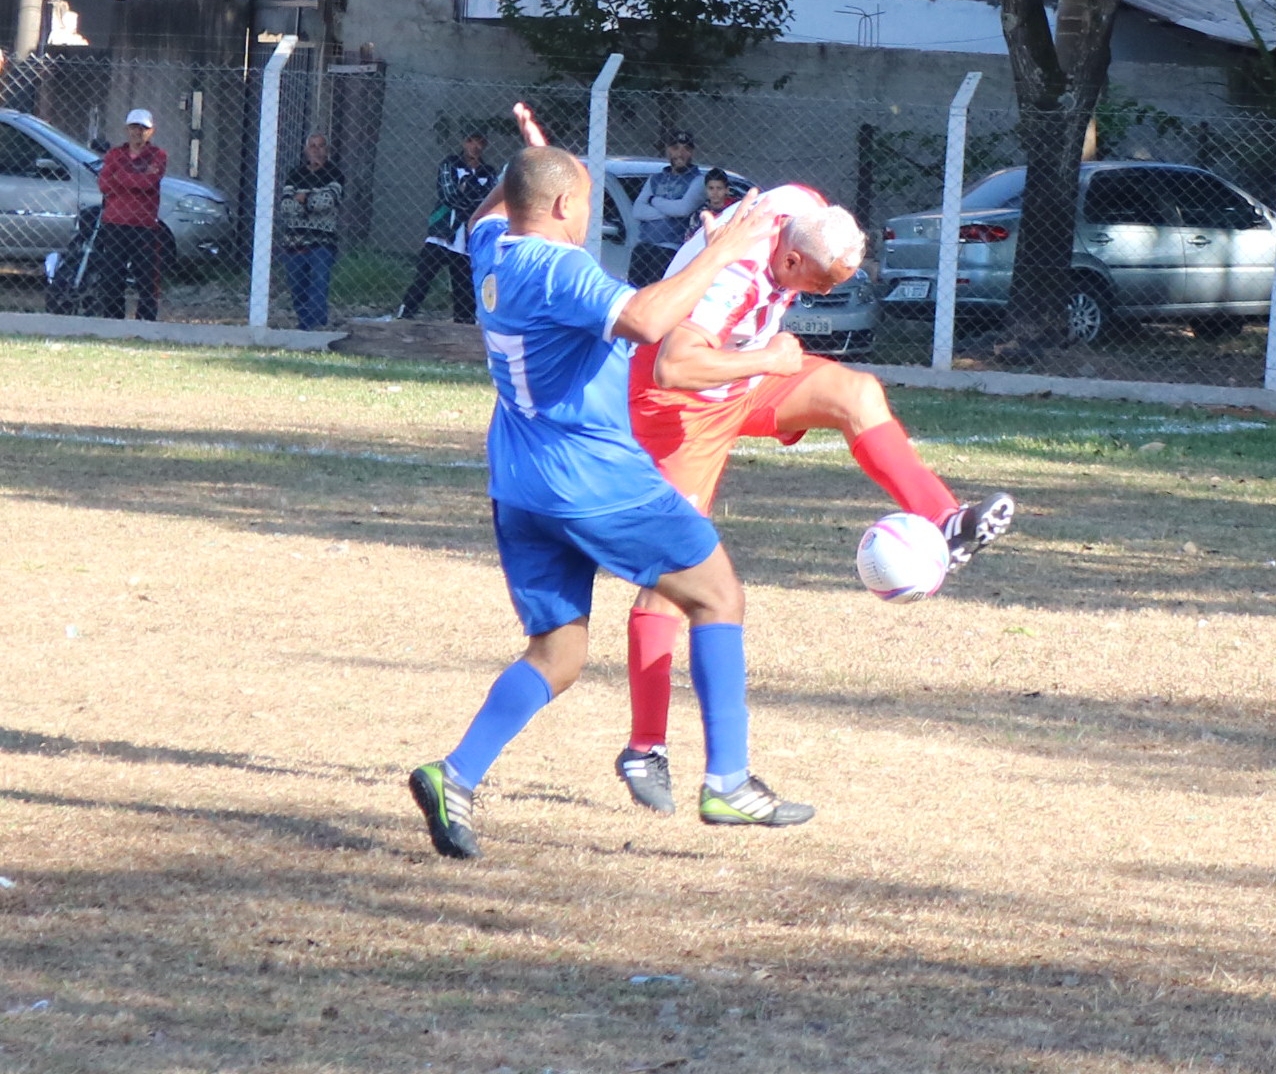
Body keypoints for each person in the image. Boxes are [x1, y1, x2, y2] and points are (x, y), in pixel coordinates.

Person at [408, 115, 812, 861]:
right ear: (565, 206)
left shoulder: (492, 248)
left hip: (519, 486)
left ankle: (453, 774)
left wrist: (530, 157)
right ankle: (728, 781)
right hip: (591, 479)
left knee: (558, 655)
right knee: (718, 596)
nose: (589, 215)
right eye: (587, 200)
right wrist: (723, 248)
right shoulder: (559, 270)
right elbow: (650, 320)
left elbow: (486, 212)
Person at [614, 184, 1015, 814]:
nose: (820, 294)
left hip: (745, 375)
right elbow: (673, 366)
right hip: (678, 405)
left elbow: (800, 210)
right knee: (675, 577)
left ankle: (945, 519)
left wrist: (763, 357)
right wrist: (768, 358)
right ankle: (645, 747)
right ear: (790, 259)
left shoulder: (803, 211)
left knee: (856, 393)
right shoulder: (733, 281)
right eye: (819, 282)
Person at [393, 131, 497, 324]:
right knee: (423, 277)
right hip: (442, 233)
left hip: (466, 240)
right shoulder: (450, 164)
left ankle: (463, 325)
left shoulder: (488, 172)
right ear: (463, 142)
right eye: (470, 141)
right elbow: (448, 195)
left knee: (463, 288)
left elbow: (489, 201)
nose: (475, 146)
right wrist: (474, 197)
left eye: (480, 142)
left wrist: (466, 191)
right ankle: (404, 316)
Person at [95, 108, 167, 321]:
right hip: (115, 223)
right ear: (127, 129)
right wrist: (135, 179)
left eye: (143, 128)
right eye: (134, 127)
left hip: (144, 225)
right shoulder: (114, 154)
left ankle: (145, 321)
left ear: (151, 131)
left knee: (146, 277)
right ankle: (113, 319)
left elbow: (149, 183)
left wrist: (120, 177)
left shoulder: (158, 155)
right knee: (112, 276)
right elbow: (104, 184)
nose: (138, 132)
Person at [278, 134, 345, 330]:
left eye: (321, 146)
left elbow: (327, 202)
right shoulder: (295, 173)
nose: (316, 150)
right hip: (294, 240)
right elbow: (286, 205)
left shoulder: (335, 174)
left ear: (327, 150)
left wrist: (303, 198)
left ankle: (317, 325)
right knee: (298, 286)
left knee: (319, 283)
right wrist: (313, 198)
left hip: (322, 241)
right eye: (312, 146)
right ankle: (304, 324)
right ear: (306, 150)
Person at [628, 129, 704, 288]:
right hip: (644, 246)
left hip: (670, 250)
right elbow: (638, 210)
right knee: (633, 292)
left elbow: (683, 209)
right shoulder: (655, 179)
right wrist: (670, 210)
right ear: (668, 150)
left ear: (692, 152)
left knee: (656, 295)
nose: (680, 153)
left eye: (686, 149)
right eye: (675, 148)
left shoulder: (698, 180)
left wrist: (653, 200)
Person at [686, 167, 737, 238]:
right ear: (706, 190)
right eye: (711, 188)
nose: (715, 192)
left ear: (727, 190)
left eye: (719, 188)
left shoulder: (735, 207)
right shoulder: (700, 213)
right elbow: (690, 238)